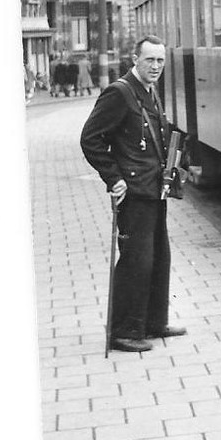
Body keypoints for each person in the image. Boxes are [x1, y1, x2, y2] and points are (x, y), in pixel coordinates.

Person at [80, 34, 187, 352]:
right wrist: (113, 178)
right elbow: (91, 139)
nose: (156, 66)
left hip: (154, 189)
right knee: (136, 261)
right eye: (150, 60)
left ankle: (153, 323)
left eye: (160, 60)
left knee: (158, 258)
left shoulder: (149, 91)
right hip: (135, 192)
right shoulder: (120, 92)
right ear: (135, 60)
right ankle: (124, 331)